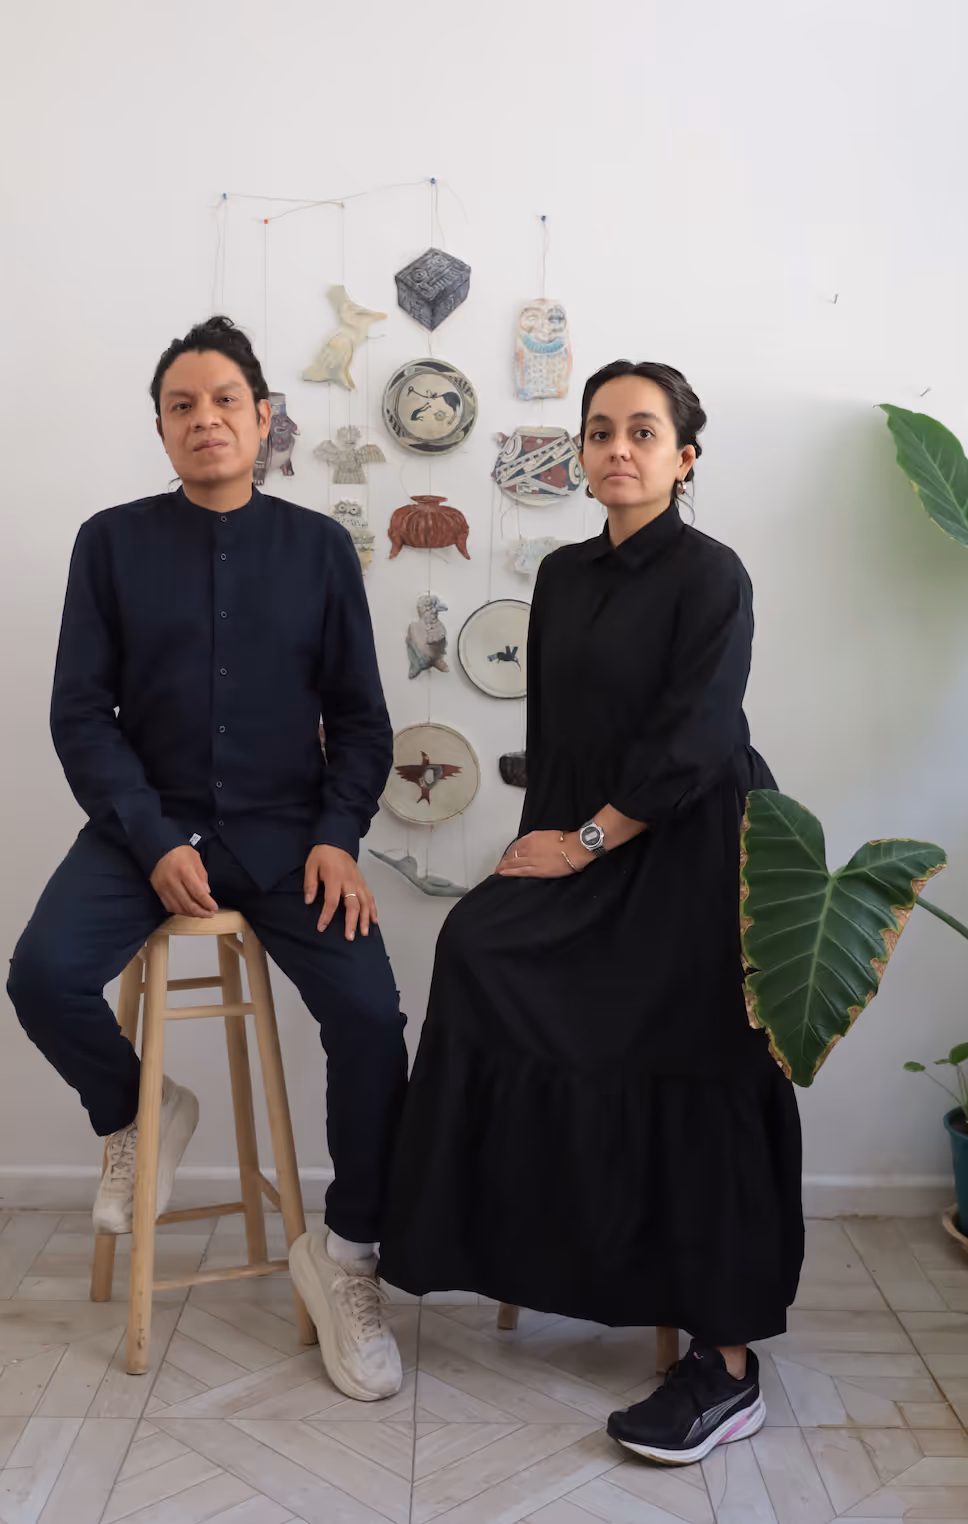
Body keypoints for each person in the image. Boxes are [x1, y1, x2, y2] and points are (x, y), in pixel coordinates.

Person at [380, 361, 805, 1465]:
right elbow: (560, 738)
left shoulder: (713, 575)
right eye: (601, 430)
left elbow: (697, 739)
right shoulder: (565, 577)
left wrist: (588, 843)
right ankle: (533, 1252)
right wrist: (544, 846)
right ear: (580, 452)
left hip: (695, 848)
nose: (619, 448)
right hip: (590, 840)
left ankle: (727, 1366)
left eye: (643, 431)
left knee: (691, 1052)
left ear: (683, 457)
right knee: (478, 950)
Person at [7, 316, 407, 1403]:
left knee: (372, 1019)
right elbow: (81, 715)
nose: (205, 420)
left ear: (264, 418)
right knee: (41, 975)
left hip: (289, 838)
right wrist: (151, 838)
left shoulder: (320, 550)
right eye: (181, 406)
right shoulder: (110, 542)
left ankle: (348, 1255)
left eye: (226, 400)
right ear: (161, 428)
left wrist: (338, 837)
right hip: (145, 828)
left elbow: (361, 722)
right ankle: (138, 1115)